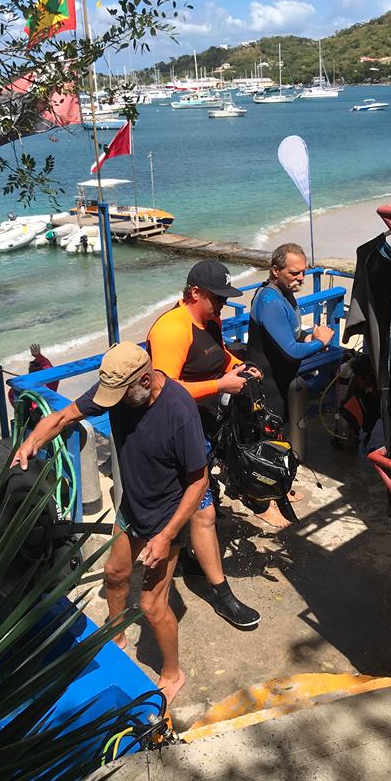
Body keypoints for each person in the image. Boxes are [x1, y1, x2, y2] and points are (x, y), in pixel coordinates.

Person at [13, 342, 210, 707]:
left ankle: (172, 673)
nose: (112, 402)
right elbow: (63, 417)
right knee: (115, 574)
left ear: (145, 380)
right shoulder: (117, 389)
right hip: (131, 508)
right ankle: (116, 636)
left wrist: (166, 536)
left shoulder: (179, 410)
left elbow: (199, 482)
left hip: (166, 519)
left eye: (120, 395)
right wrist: (30, 443)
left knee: (152, 605)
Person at [147, 260, 261, 629]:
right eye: (218, 298)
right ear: (195, 293)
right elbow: (163, 390)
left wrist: (238, 366)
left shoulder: (210, 320)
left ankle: (189, 556)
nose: (224, 304)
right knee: (204, 512)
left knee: (198, 499)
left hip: (204, 426)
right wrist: (220, 385)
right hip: (175, 434)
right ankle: (222, 594)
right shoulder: (171, 330)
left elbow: (217, 355)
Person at [246, 244, 334, 421]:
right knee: (274, 435)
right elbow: (292, 352)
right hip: (267, 386)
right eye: (294, 273)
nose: (301, 278)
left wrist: (309, 338)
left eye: (304, 272)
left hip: (283, 381)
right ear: (275, 271)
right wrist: (320, 342)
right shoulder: (270, 302)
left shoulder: (285, 291)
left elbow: (290, 332)